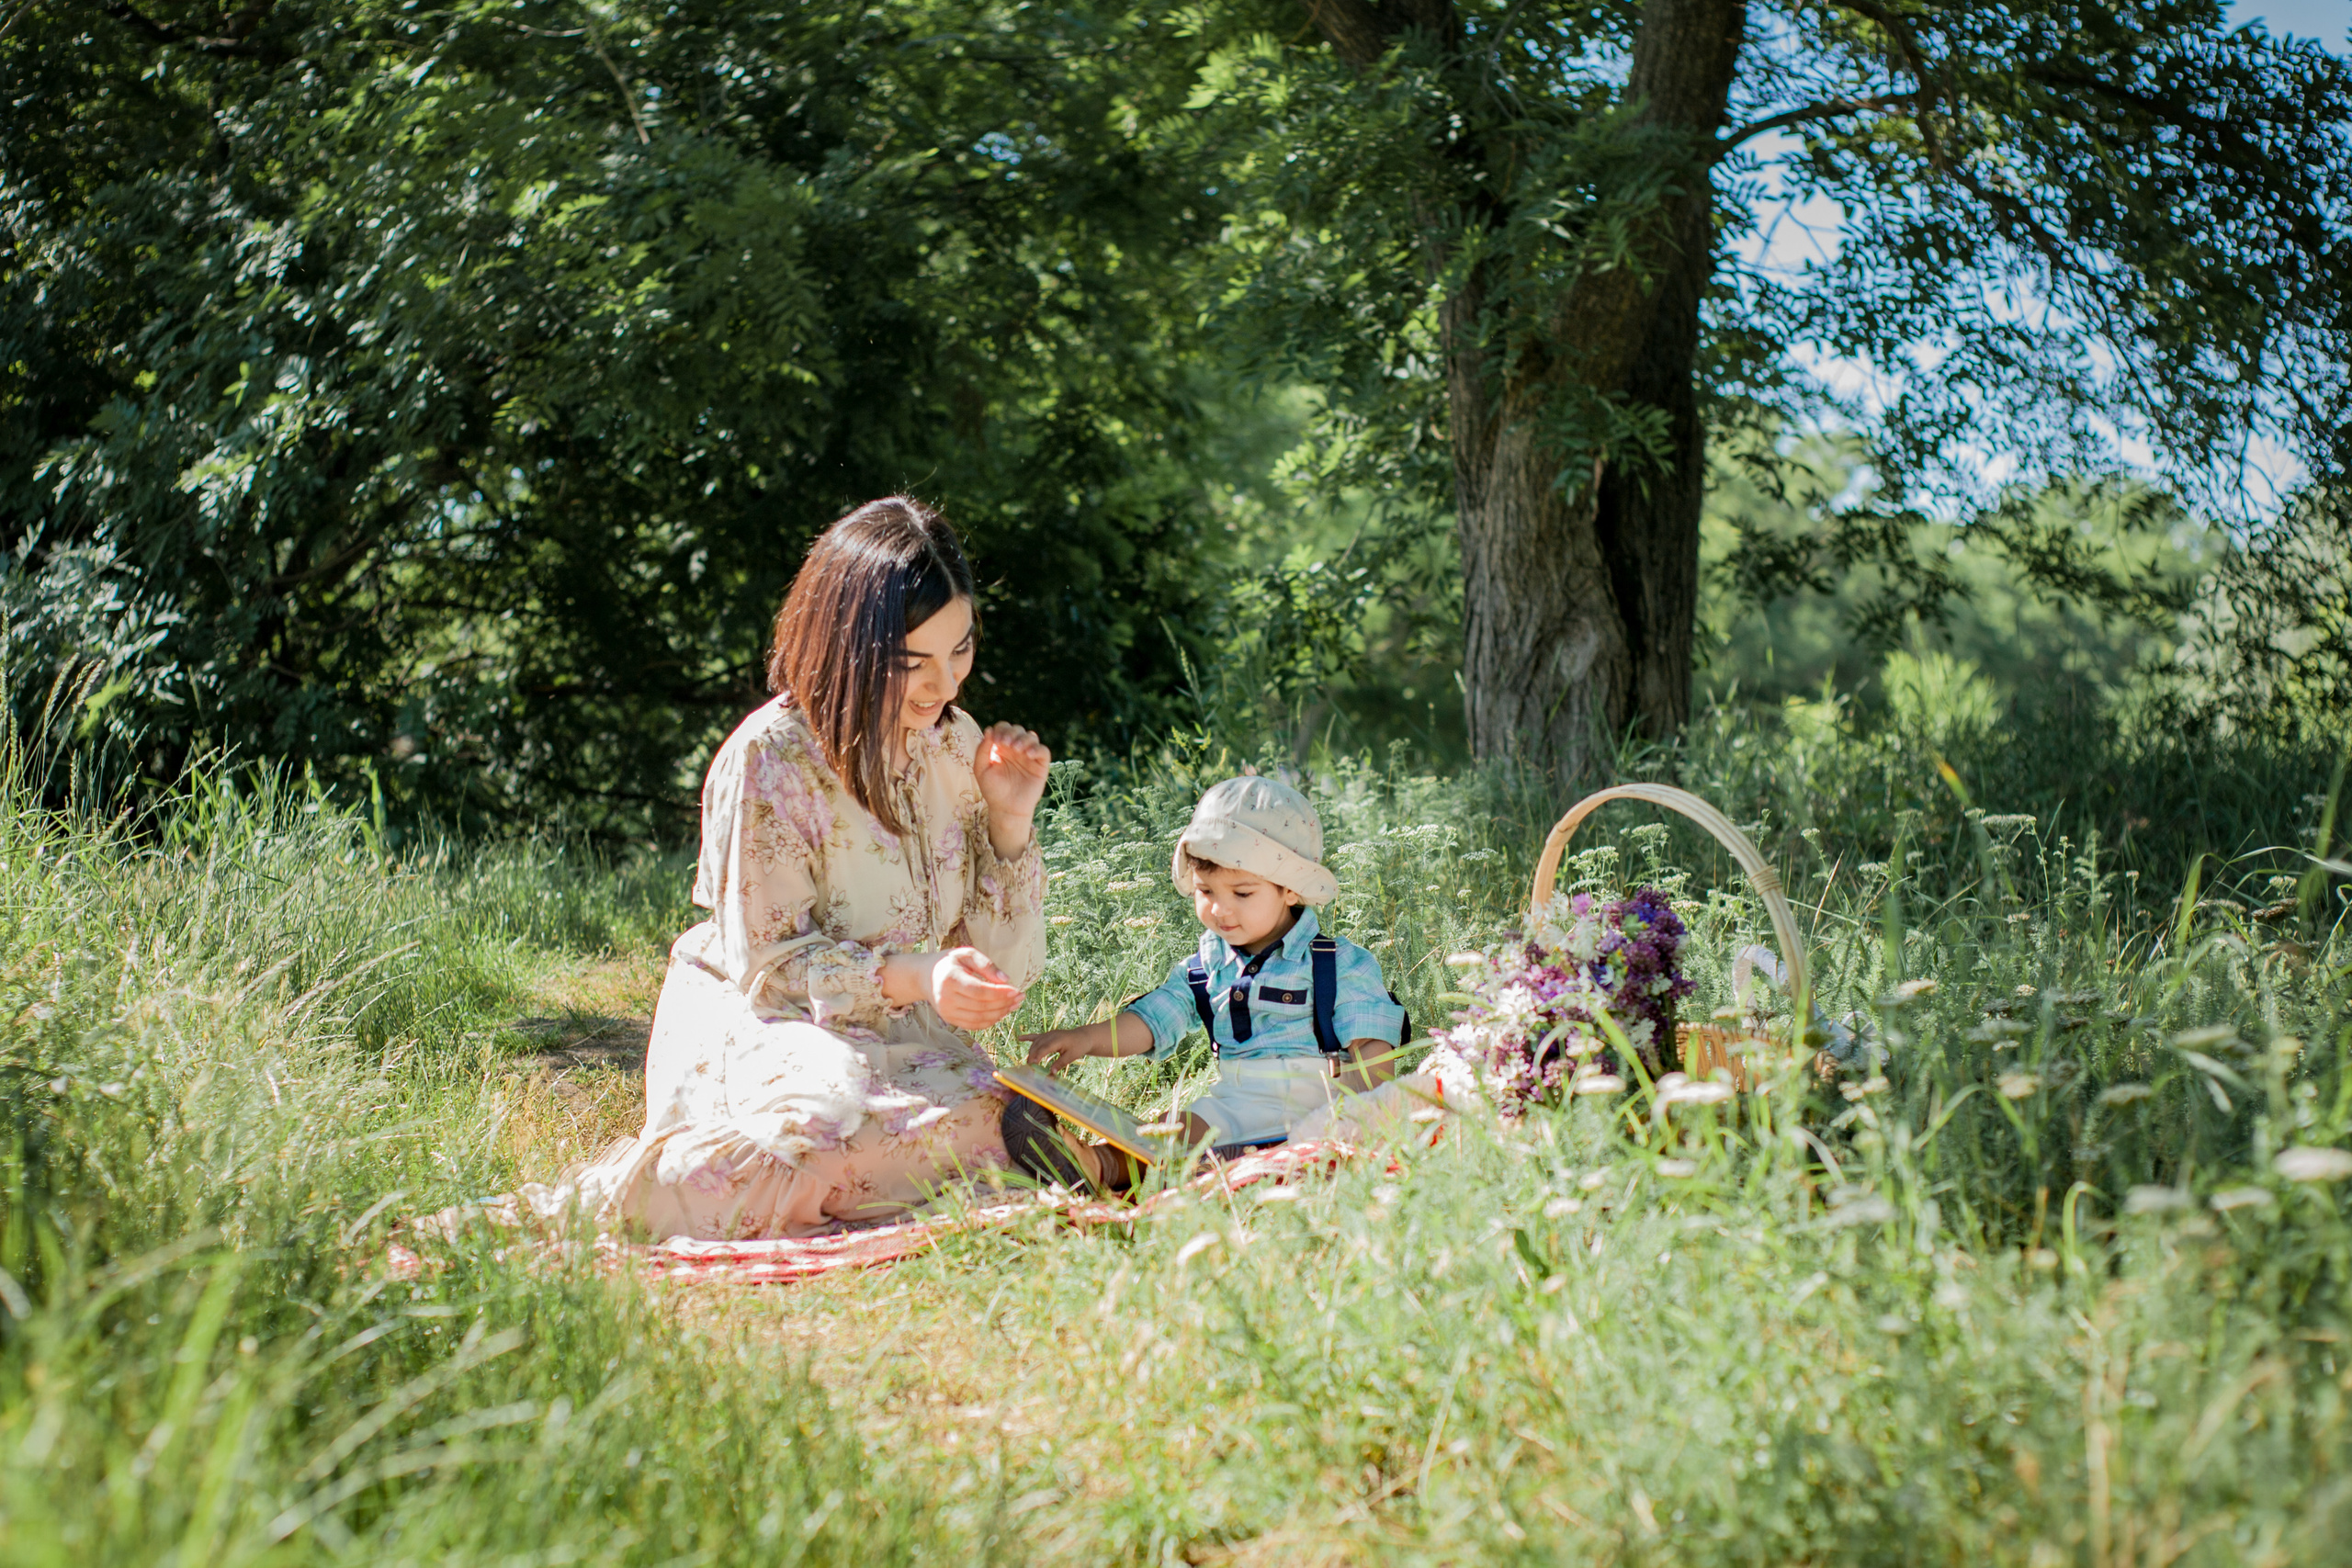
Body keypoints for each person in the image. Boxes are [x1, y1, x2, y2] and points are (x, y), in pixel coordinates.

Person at [527, 496, 1097, 1239]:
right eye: (912, 662)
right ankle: (628, 1196)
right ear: (848, 647)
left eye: (959, 651)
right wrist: (917, 975)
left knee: (1002, 1115)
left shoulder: (957, 748)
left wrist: (1009, 822)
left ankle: (970, 1151)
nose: (946, 686)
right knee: (827, 1129)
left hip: (910, 1045)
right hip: (776, 1024)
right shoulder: (770, 759)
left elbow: (1003, 967)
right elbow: (769, 963)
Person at [1013, 775, 1408, 1187]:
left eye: (1242, 893)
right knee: (1171, 1130)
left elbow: (1373, 1045)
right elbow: (1152, 1021)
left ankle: (1227, 1173)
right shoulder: (1206, 967)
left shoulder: (1337, 962)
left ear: (1290, 890)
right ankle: (1097, 1168)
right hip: (1234, 1102)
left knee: (1270, 1155)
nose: (1221, 909)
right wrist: (1086, 1039)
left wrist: (1361, 1114)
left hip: (1320, 1102)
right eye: (1206, 891)